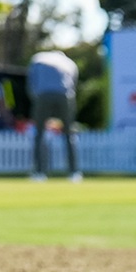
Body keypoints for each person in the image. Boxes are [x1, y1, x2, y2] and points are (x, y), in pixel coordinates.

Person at [28, 48, 82, 181]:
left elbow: (31, 82)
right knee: (69, 133)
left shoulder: (38, 58)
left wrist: (36, 98)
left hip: (43, 95)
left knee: (39, 134)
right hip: (65, 96)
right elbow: (73, 86)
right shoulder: (70, 63)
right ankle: (74, 172)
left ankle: (39, 173)